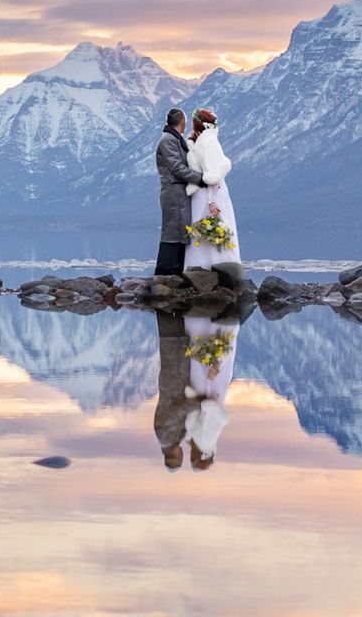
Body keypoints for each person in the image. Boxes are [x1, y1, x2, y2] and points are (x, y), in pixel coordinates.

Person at [184, 107, 241, 270]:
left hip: (211, 193)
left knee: (214, 224)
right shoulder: (197, 141)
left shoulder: (209, 143)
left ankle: (218, 267)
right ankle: (197, 267)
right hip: (198, 193)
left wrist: (211, 201)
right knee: (199, 227)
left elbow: (213, 175)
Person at [155, 108, 208, 277]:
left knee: (180, 232)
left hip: (179, 192)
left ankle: (176, 272)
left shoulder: (174, 139)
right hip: (173, 191)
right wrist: (200, 179)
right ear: (183, 122)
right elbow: (177, 167)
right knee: (172, 232)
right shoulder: (168, 140)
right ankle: (164, 273)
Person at [183, 313, 240, 470]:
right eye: (192, 459)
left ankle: (222, 319)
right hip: (206, 392)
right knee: (205, 355)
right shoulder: (204, 440)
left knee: (212, 352)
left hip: (210, 393)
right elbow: (197, 418)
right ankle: (209, 316)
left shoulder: (203, 441)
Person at [153, 311, 195, 470]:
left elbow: (175, 411)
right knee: (175, 343)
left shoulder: (165, 438)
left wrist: (197, 404)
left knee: (171, 344)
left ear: (178, 457)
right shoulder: (171, 439)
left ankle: (166, 307)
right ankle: (172, 306)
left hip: (172, 382)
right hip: (175, 380)